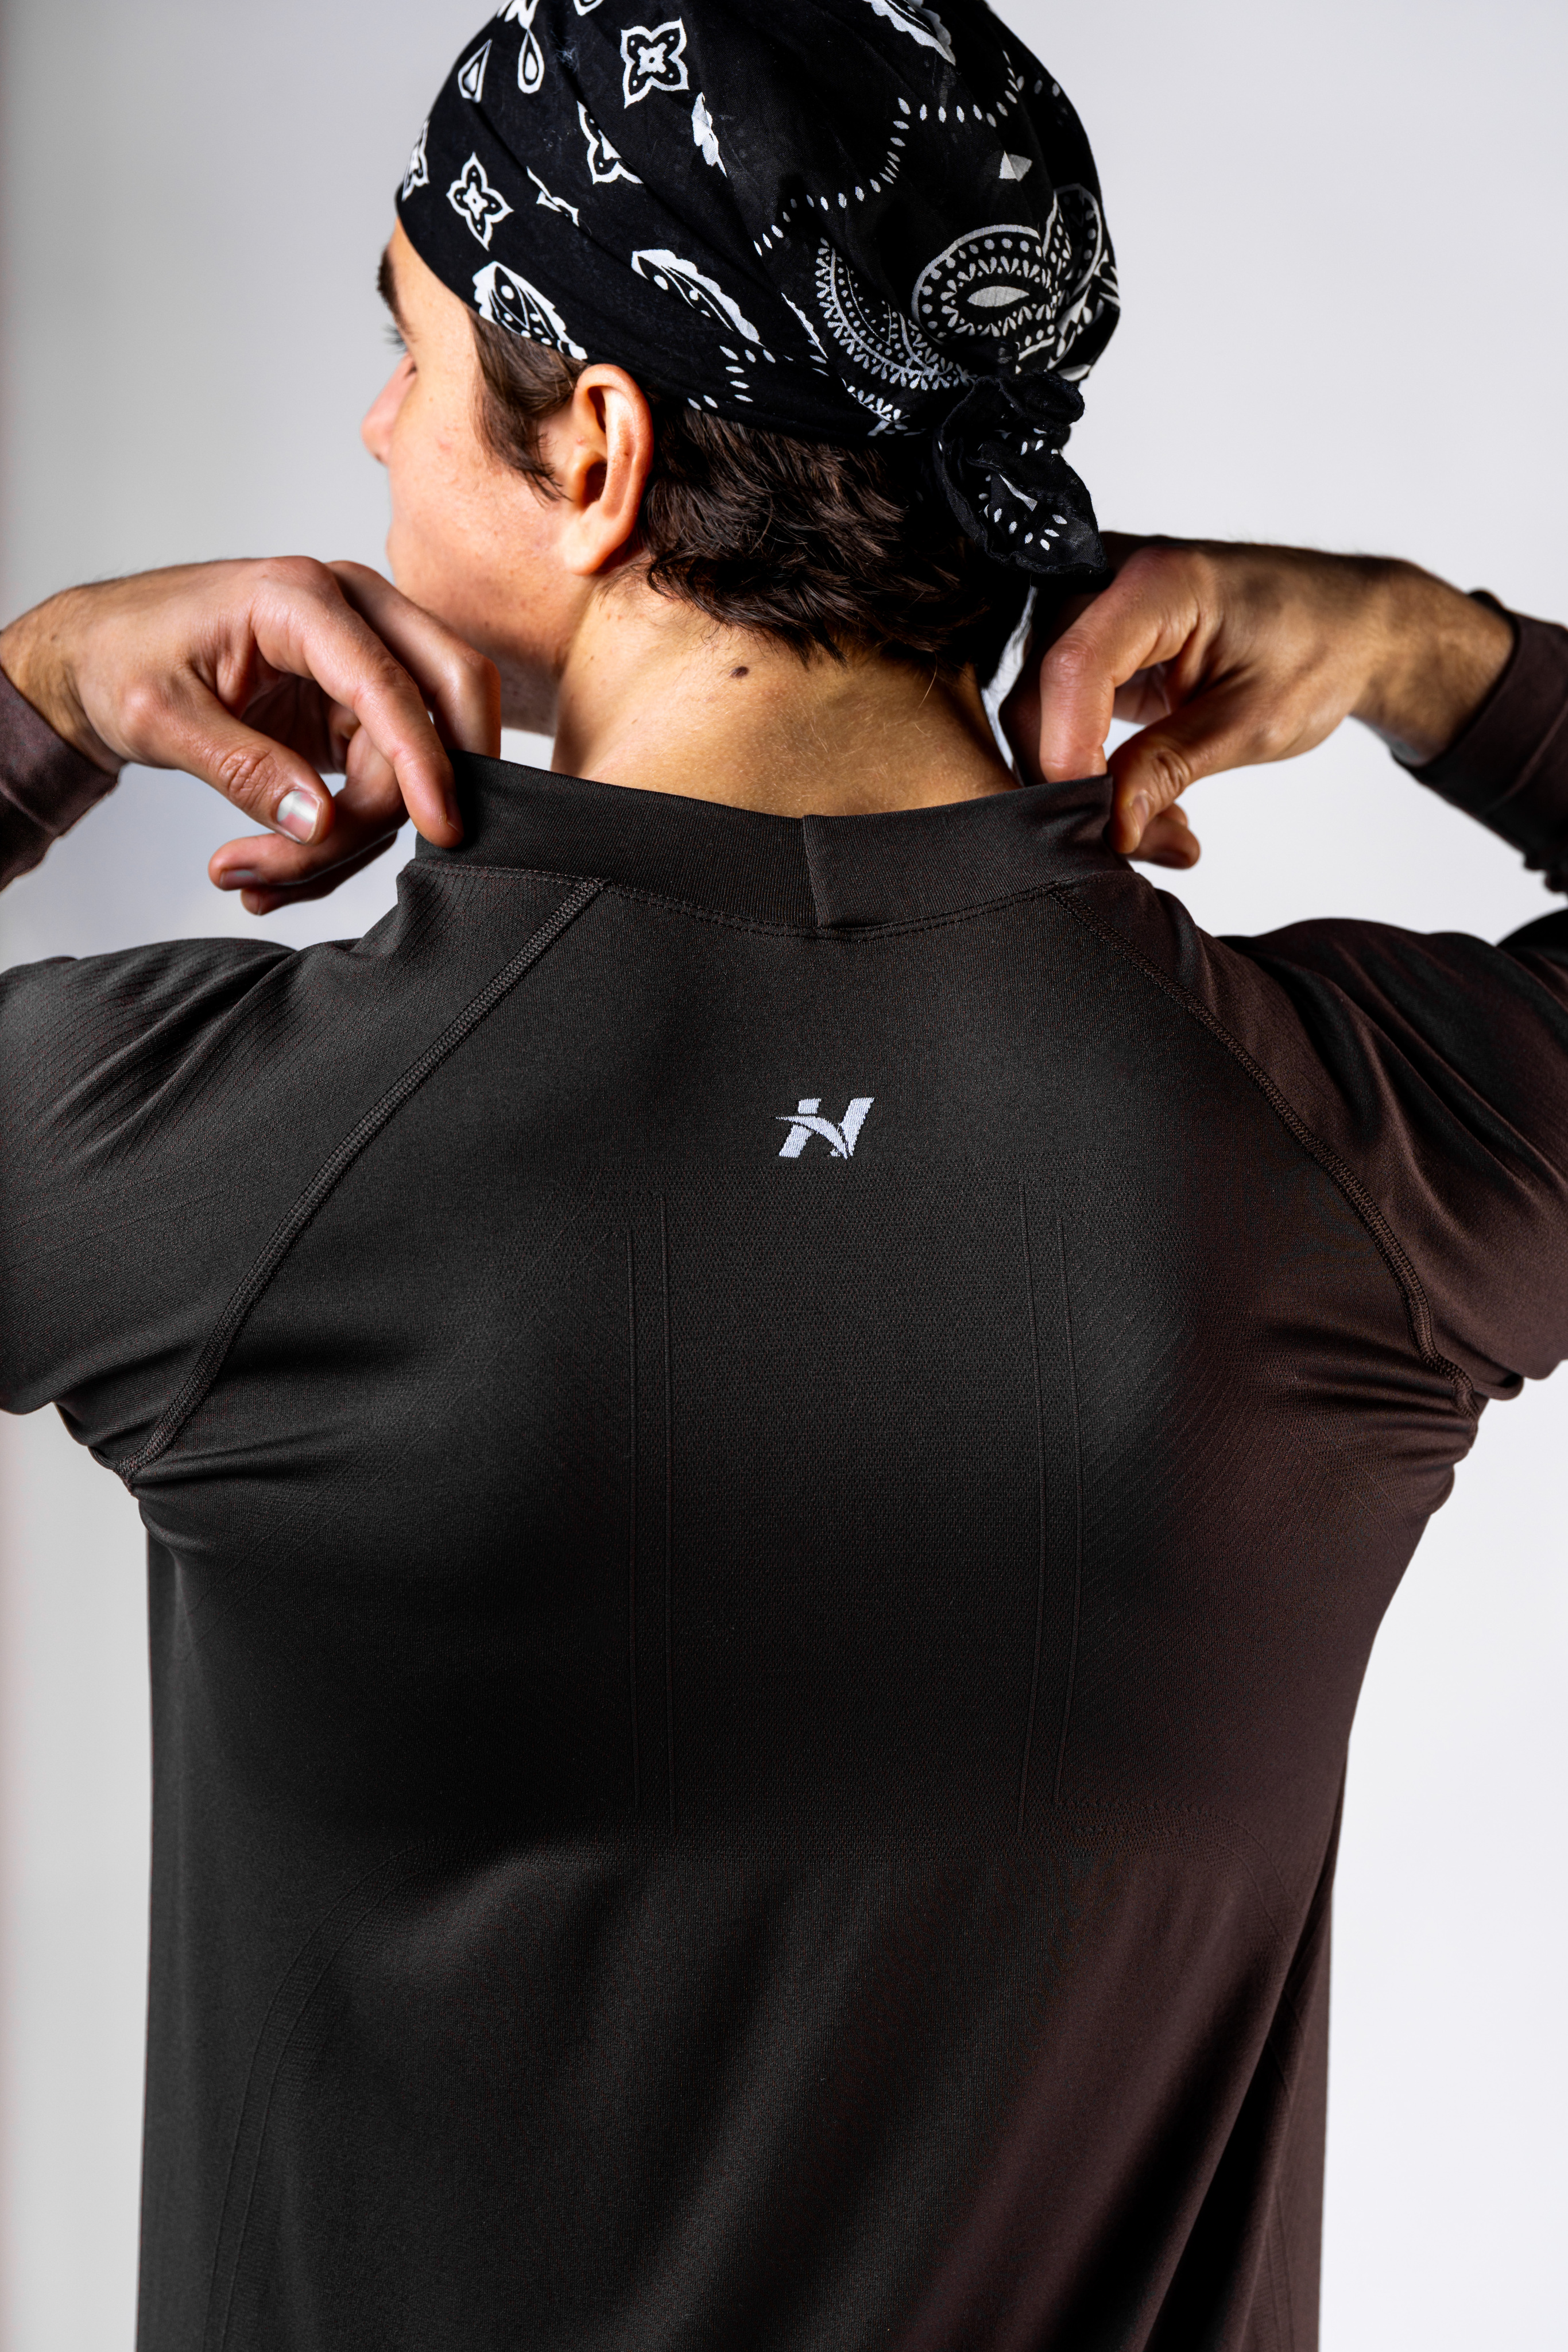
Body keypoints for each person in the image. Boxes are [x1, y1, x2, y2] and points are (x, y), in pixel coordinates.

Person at [2, 4, 1566, 2346]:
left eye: (408, 353)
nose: (375, 429)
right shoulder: (1348, 1147)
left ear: (596, 452)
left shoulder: (228, 1149)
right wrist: (1432, 653)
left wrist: (37, 693)